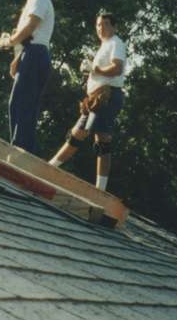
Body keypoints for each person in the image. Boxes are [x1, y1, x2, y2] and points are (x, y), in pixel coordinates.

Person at [48, 12, 126, 192]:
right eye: (99, 25)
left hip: (107, 96)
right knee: (76, 134)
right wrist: (90, 71)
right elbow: (101, 71)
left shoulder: (116, 42)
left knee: (102, 140)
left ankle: (100, 189)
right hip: (95, 99)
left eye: (106, 24)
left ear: (114, 27)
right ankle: (50, 166)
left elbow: (117, 68)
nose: (101, 28)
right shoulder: (105, 45)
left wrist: (95, 69)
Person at [2, 0, 54, 153]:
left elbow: (31, 28)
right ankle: (20, 149)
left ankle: (20, 151)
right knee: (17, 103)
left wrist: (9, 41)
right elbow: (27, 39)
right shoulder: (32, 3)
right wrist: (17, 58)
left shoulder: (41, 0)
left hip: (36, 55)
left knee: (24, 104)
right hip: (29, 54)